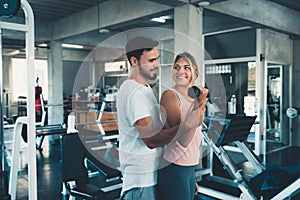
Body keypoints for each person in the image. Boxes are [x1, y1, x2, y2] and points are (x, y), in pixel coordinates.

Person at [117, 37, 203, 200]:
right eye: (151, 60)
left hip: (155, 173)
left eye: (157, 59)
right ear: (134, 61)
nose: (157, 64)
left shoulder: (145, 89)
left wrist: (184, 175)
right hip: (141, 181)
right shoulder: (134, 93)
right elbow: (151, 140)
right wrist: (186, 126)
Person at [158, 52, 208, 200]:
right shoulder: (170, 96)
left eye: (186, 68)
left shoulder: (191, 99)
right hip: (174, 166)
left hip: (189, 167)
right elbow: (182, 140)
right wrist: (200, 101)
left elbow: (193, 140)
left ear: (195, 73)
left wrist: (191, 175)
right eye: (177, 67)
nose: (181, 71)